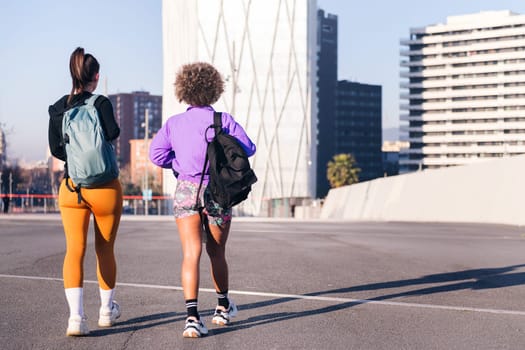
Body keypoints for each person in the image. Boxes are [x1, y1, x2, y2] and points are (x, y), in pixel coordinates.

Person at [149, 62, 256, 338]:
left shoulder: (174, 124)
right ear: (214, 89)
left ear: (184, 90)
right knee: (217, 253)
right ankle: (222, 309)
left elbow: (156, 154)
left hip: (186, 189)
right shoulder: (223, 120)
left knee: (190, 254)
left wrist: (180, 164)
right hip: (219, 191)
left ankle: (192, 318)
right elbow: (249, 148)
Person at [48, 47, 123, 336]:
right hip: (105, 188)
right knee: (105, 249)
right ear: (96, 76)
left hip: (72, 188)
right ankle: (106, 311)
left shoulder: (57, 108)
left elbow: (56, 148)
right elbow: (113, 132)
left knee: (74, 251)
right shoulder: (101, 102)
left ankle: (76, 319)